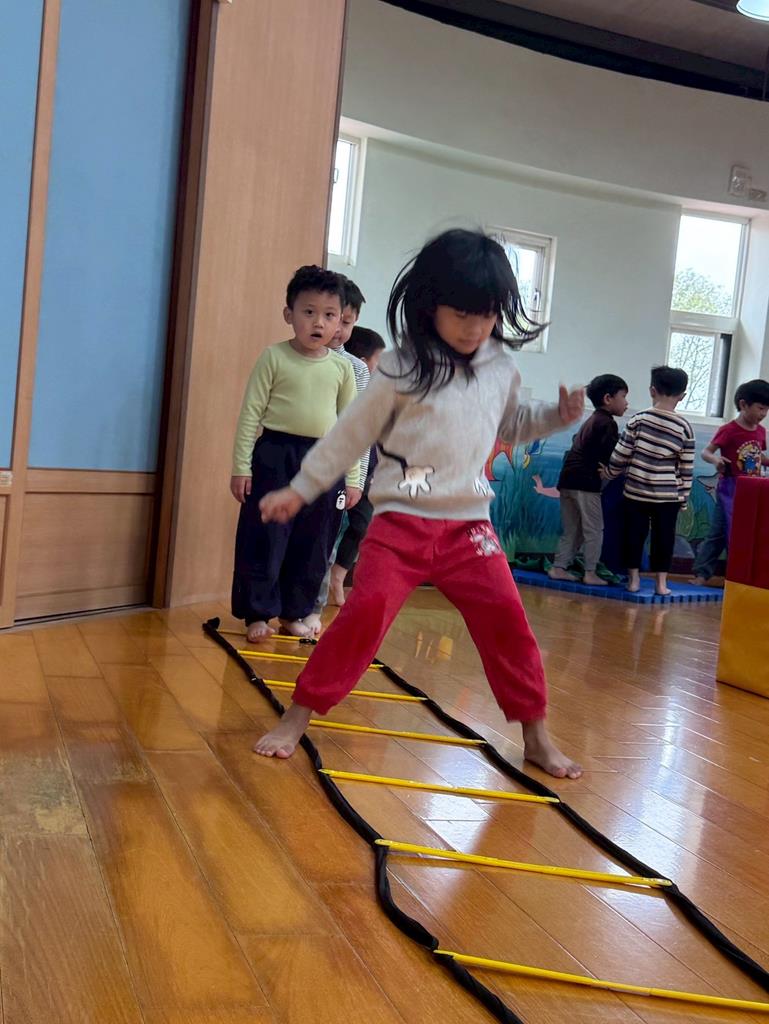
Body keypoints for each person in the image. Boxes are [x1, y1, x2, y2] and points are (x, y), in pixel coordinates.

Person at [253, 228, 585, 779]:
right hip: (401, 523)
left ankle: (536, 735)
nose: (475, 327)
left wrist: (557, 417)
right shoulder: (401, 368)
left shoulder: (500, 367)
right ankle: (298, 715)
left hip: (469, 529)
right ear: (431, 305)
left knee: (508, 622)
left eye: (487, 315)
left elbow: (512, 425)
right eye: (461, 314)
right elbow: (350, 433)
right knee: (363, 615)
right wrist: (302, 487)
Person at [229, 265, 362, 642]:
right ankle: (258, 612)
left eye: (330, 315)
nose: (319, 322)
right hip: (275, 455)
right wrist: (241, 467)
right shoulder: (273, 357)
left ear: (339, 321)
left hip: (325, 463)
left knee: (314, 541)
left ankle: (295, 611)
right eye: (309, 312)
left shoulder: (342, 369)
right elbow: (250, 414)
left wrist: (353, 478)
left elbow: (351, 427)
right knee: (265, 536)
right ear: (289, 314)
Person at [604, 366, 694, 597]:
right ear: (682, 396)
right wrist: (683, 498)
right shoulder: (684, 427)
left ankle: (633, 580)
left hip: (636, 491)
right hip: (668, 495)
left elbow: (621, 453)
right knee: (664, 538)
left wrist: (610, 473)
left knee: (634, 535)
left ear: (652, 390)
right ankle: (661, 583)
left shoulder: (638, 420)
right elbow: (686, 468)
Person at [548, 373, 628, 587]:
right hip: (586, 483)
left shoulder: (591, 420)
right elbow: (612, 454)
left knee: (572, 529)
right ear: (608, 399)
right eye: (623, 396)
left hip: (568, 481)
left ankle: (559, 567)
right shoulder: (607, 423)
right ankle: (590, 572)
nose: (626, 403)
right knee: (594, 529)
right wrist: (612, 469)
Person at [690, 379, 769, 585]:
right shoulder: (729, 430)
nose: (764, 414)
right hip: (730, 488)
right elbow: (707, 452)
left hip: (752, 490)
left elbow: (757, 455)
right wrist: (716, 460)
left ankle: (740, 576)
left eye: (767, 409)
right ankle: (702, 574)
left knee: (746, 533)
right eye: (760, 408)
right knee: (719, 532)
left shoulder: (761, 432)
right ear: (743, 404)